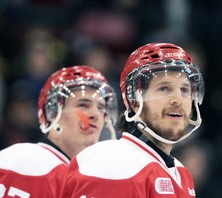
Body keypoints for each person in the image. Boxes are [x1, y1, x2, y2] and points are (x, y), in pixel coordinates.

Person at [61, 42, 205, 197]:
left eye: (185, 90)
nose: (178, 99)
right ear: (135, 102)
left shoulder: (180, 171)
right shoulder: (114, 167)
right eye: (164, 88)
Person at [0, 65, 118, 197]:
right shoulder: (20, 160)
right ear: (52, 112)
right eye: (83, 105)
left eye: (101, 108)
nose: (95, 114)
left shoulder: (94, 177)